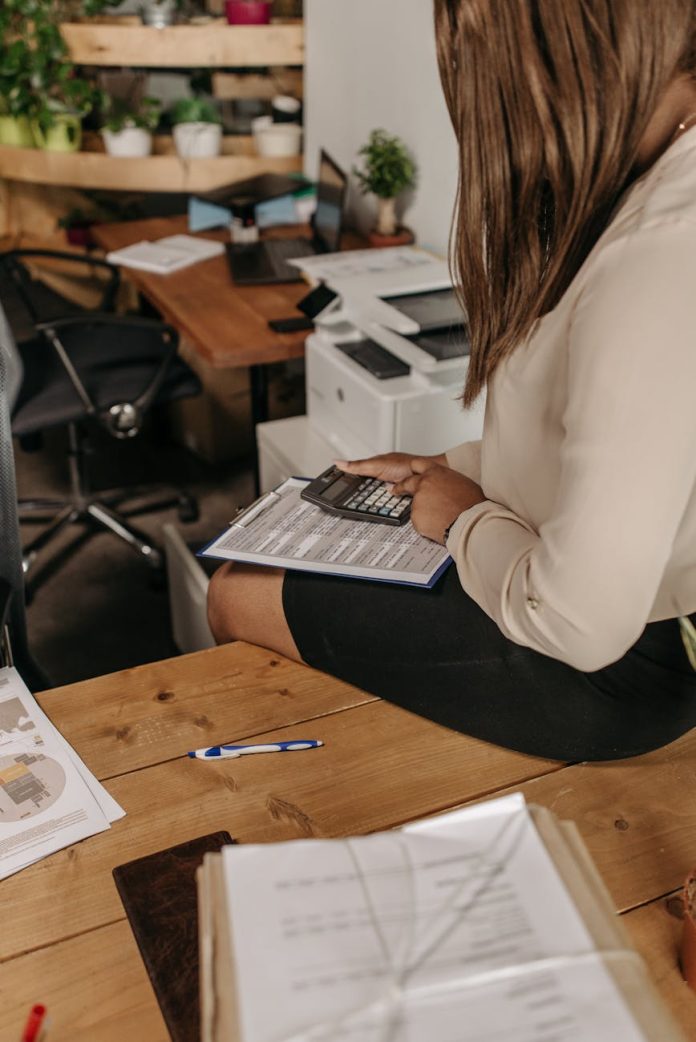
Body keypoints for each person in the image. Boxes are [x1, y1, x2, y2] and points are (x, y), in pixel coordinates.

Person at [208, 0, 696, 762]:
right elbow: (633, 454)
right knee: (271, 558)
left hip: (625, 662)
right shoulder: (656, 179)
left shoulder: (662, 252)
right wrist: (452, 469)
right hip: (609, 588)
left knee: (235, 591)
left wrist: (462, 517)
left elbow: (580, 623)